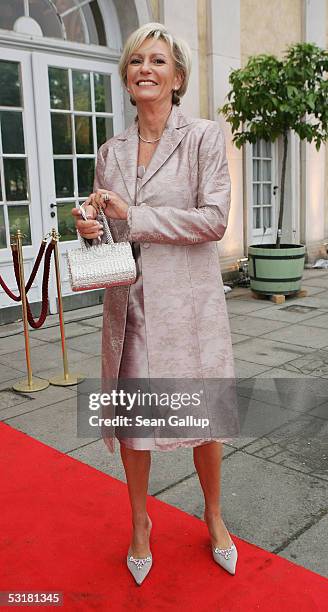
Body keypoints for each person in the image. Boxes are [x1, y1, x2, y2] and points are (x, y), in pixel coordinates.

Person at [71, 22, 240, 585]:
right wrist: (92, 227)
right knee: (133, 425)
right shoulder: (109, 150)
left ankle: (215, 518)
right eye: (136, 60)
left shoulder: (204, 138)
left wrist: (132, 215)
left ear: (178, 77)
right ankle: (140, 524)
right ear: (125, 76)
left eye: (159, 61)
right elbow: (112, 237)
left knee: (205, 419)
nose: (146, 68)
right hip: (130, 308)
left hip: (188, 307)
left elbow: (214, 220)